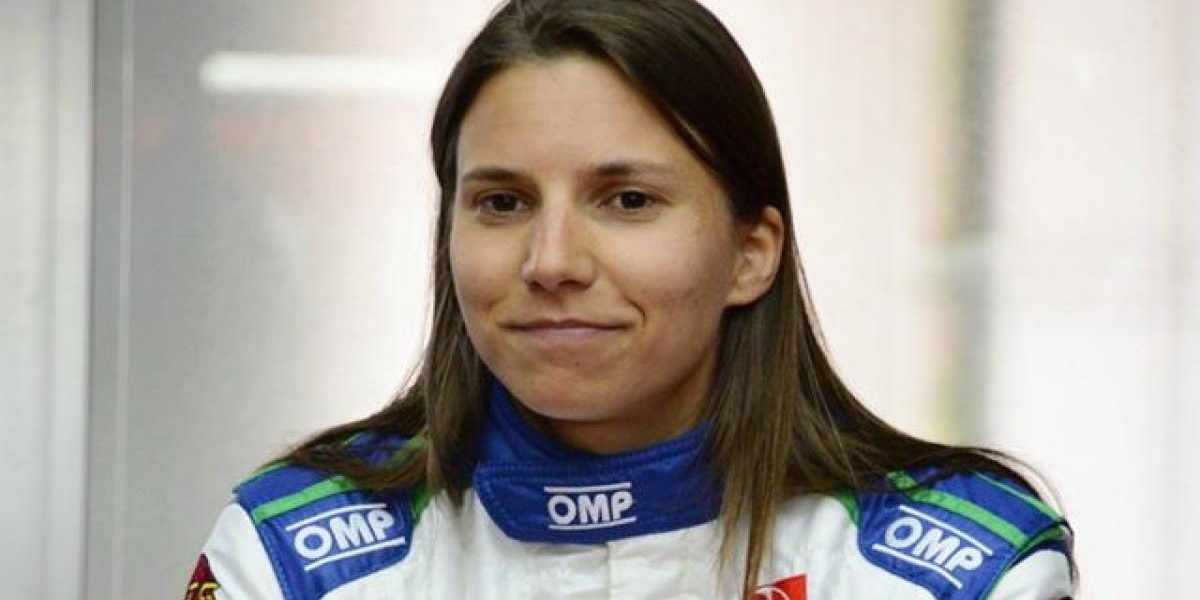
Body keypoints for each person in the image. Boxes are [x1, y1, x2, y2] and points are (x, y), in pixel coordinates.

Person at [185, 0, 1075, 598]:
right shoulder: (297, 561)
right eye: (503, 202)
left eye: (628, 200)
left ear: (750, 254)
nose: (552, 262)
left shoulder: (954, 573)